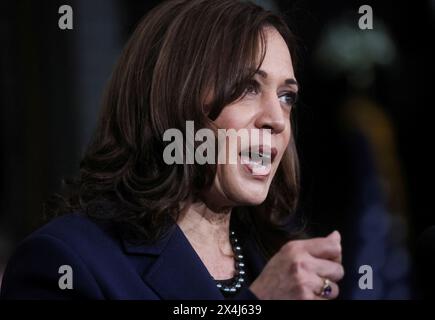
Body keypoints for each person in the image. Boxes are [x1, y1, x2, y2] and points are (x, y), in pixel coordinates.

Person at [0, 0, 344, 300]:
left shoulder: (279, 261)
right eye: (247, 87)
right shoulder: (64, 262)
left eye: (286, 97)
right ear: (172, 99)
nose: (277, 120)